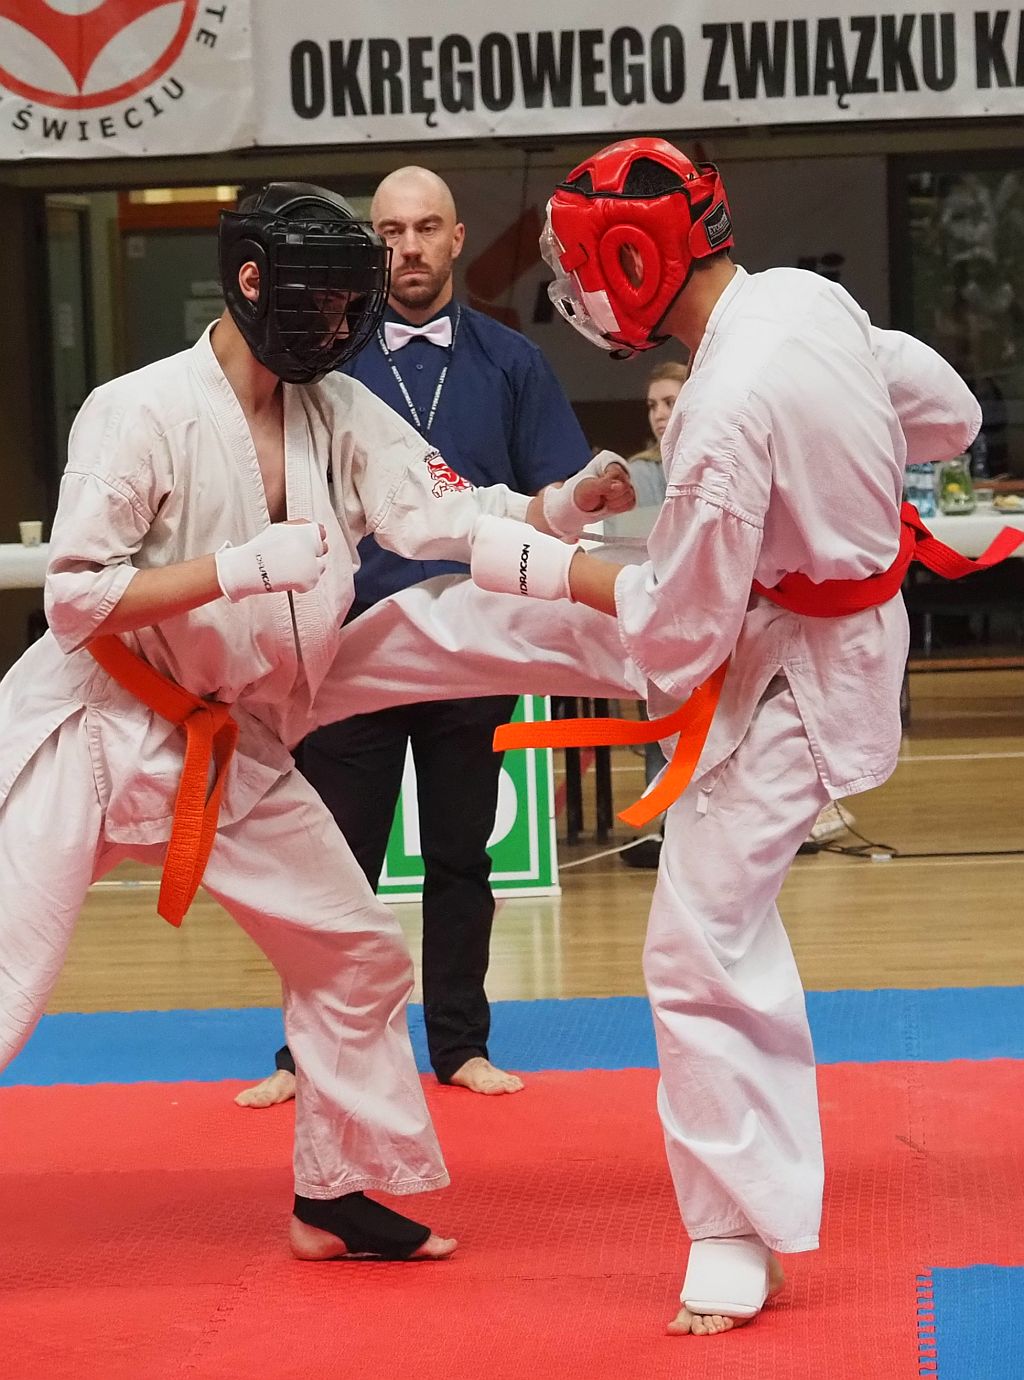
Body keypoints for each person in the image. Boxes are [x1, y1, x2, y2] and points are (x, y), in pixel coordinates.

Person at [316, 138, 982, 1331]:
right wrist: (834, 472)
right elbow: (950, 415)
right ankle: (298, 682)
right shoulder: (803, 300)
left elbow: (673, 640)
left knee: (695, 944)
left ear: (635, 260)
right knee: (484, 608)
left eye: (583, 265)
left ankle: (735, 1235)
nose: (574, 290)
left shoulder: (722, 409)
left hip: (797, 673)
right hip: (779, 619)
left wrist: (543, 561)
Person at [0, 181, 634, 1265]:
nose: (340, 325)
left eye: (351, 305)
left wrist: (562, 507)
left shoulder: (334, 408)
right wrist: (234, 570)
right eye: (324, 303)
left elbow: (441, 515)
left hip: (226, 740)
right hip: (92, 724)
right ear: (253, 284)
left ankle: (335, 1192)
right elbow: (74, 601)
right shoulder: (136, 409)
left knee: (355, 953)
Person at [235, 166, 594, 1111]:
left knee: (460, 859)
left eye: (426, 228)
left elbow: (554, 497)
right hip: (350, 646)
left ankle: (461, 1043)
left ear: (457, 237)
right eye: (390, 232)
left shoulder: (511, 362)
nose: (408, 248)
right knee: (333, 862)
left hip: (474, 644)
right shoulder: (324, 363)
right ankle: (305, 1050)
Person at [618, 360, 690, 869]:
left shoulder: (729, 454)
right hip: (661, 611)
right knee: (661, 712)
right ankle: (663, 822)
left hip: (728, 610)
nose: (660, 414)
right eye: (652, 405)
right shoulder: (640, 473)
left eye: (670, 402)